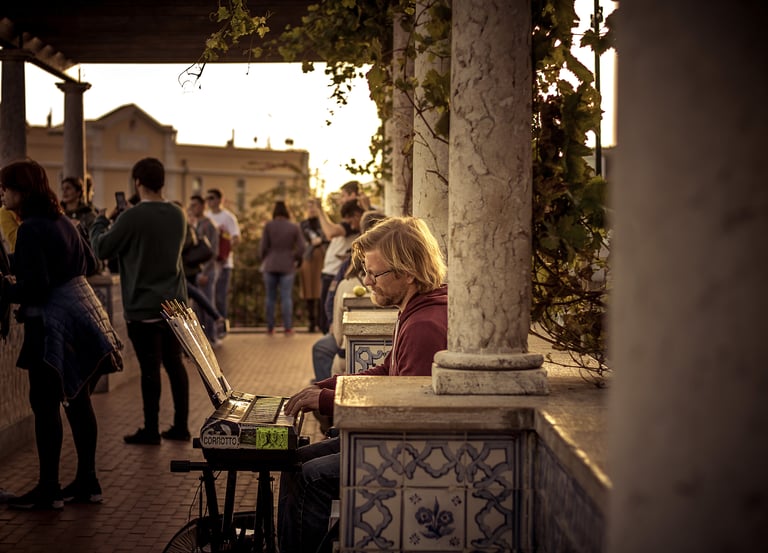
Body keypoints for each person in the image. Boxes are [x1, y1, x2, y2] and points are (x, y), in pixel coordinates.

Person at [277, 216, 448, 552]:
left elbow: (403, 412)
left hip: (410, 454)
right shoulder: (413, 309)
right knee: (294, 461)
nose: (367, 281)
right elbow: (388, 371)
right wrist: (322, 388)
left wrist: (326, 401)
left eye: (375, 273)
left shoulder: (424, 325)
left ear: (408, 272)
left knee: (308, 477)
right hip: (396, 439)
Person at [0, 159, 123, 510]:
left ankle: (49, 489)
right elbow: (91, 264)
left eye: (5, 187)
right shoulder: (66, 223)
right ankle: (87, 481)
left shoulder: (30, 229)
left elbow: (36, 287)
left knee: (44, 404)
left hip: (50, 328)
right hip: (83, 318)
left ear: (21, 191)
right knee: (79, 402)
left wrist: (7, 288)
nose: (2, 194)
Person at [90, 157, 191, 445]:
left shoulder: (131, 217)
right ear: (162, 182)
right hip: (175, 307)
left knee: (150, 370)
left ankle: (150, 429)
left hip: (143, 307)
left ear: (137, 182)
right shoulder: (177, 214)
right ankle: (181, 426)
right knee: (175, 364)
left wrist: (101, 219)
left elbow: (101, 247)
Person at [316, 196, 365, 334]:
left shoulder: (350, 226)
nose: (340, 200)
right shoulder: (349, 224)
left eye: (343, 195)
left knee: (328, 313)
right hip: (330, 271)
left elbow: (330, 232)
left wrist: (320, 210)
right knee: (325, 312)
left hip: (334, 272)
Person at [260, 201, 305, 335]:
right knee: (286, 297)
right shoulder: (294, 227)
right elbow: (302, 247)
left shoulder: (269, 226)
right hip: (287, 264)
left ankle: (270, 328)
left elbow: (262, 247)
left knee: (270, 298)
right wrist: (295, 258)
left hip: (271, 264)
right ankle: (288, 327)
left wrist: (265, 259)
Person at [205, 188, 241, 337]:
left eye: (212, 198)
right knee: (209, 298)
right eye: (207, 199)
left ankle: (222, 327)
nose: (209, 201)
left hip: (224, 264)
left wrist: (226, 251)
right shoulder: (206, 217)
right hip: (209, 265)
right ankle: (211, 329)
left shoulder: (228, 217)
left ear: (220, 199)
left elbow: (236, 238)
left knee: (220, 297)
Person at [187, 194, 221, 344]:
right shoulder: (195, 224)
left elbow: (213, 251)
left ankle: (212, 337)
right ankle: (202, 338)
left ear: (202, 206)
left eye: (195, 205)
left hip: (207, 271)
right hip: (197, 271)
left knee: (208, 303)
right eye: (191, 205)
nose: (192, 208)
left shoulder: (209, 225)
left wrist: (204, 273)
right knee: (198, 306)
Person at [299, 199, 328, 333]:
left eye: (314, 207)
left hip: (322, 257)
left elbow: (328, 237)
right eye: (309, 207)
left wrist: (320, 240)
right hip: (308, 259)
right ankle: (311, 321)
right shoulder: (302, 224)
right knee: (309, 290)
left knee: (320, 290)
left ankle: (321, 321)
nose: (311, 209)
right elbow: (300, 242)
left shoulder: (323, 223)